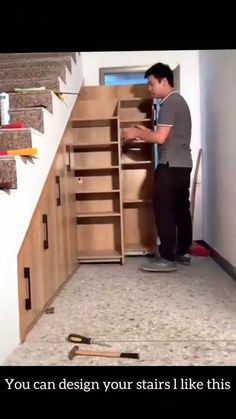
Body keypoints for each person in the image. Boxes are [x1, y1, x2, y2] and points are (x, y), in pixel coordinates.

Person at [121, 62, 193, 272]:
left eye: (151, 84)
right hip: (183, 165)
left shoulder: (169, 102)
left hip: (169, 166)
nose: (150, 89)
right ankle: (183, 252)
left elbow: (160, 138)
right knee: (180, 209)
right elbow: (167, 134)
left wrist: (136, 133)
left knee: (163, 209)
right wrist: (146, 130)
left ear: (163, 80)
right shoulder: (179, 102)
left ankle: (167, 258)